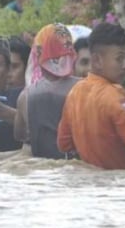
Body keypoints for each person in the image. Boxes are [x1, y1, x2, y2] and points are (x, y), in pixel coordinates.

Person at [57, 23, 125, 170]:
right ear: (97, 60)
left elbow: (64, 144)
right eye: (119, 59)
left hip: (91, 182)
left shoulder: (74, 93)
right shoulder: (115, 95)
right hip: (121, 184)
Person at [14, 23, 80, 159]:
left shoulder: (25, 96)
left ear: (37, 54)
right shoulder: (84, 88)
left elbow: (19, 135)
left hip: (41, 170)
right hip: (75, 167)